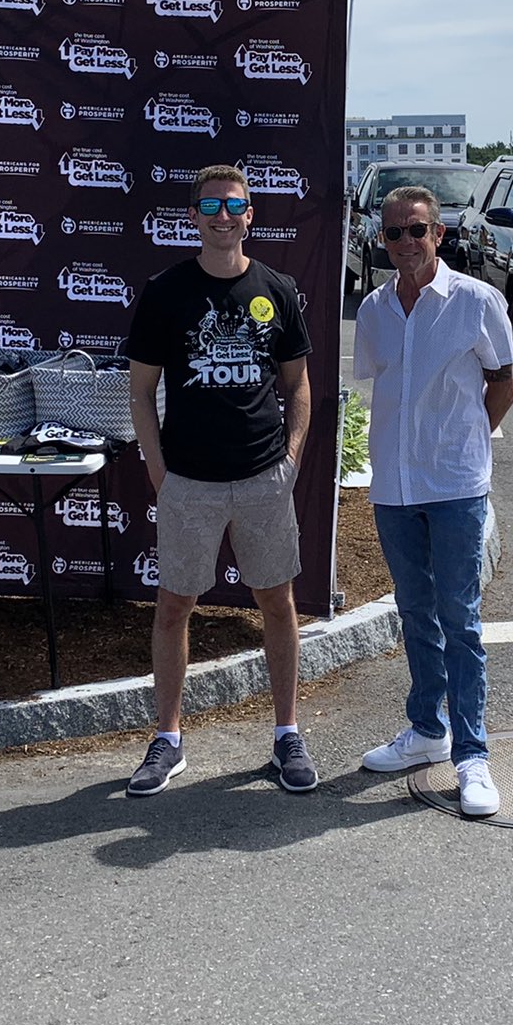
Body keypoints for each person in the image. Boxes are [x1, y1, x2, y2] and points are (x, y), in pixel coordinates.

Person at [124, 164, 315, 797]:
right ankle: (168, 739)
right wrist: (158, 470)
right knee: (174, 605)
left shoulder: (276, 289)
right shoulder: (165, 291)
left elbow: (298, 385)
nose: (222, 216)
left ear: (250, 215)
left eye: (233, 205)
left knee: (277, 602)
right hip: (189, 481)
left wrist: (289, 461)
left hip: (263, 477)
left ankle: (287, 734)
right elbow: (141, 391)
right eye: (210, 206)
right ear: (194, 217)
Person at [352, 185, 513, 817]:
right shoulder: (373, 309)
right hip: (395, 487)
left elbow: (504, 385)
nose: (405, 242)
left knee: (460, 620)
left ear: (438, 234)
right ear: (382, 238)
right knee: (415, 613)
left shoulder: (477, 301)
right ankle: (427, 729)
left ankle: (472, 757)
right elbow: (383, 385)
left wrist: (466, 439)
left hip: (454, 486)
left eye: (416, 230)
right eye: (393, 232)